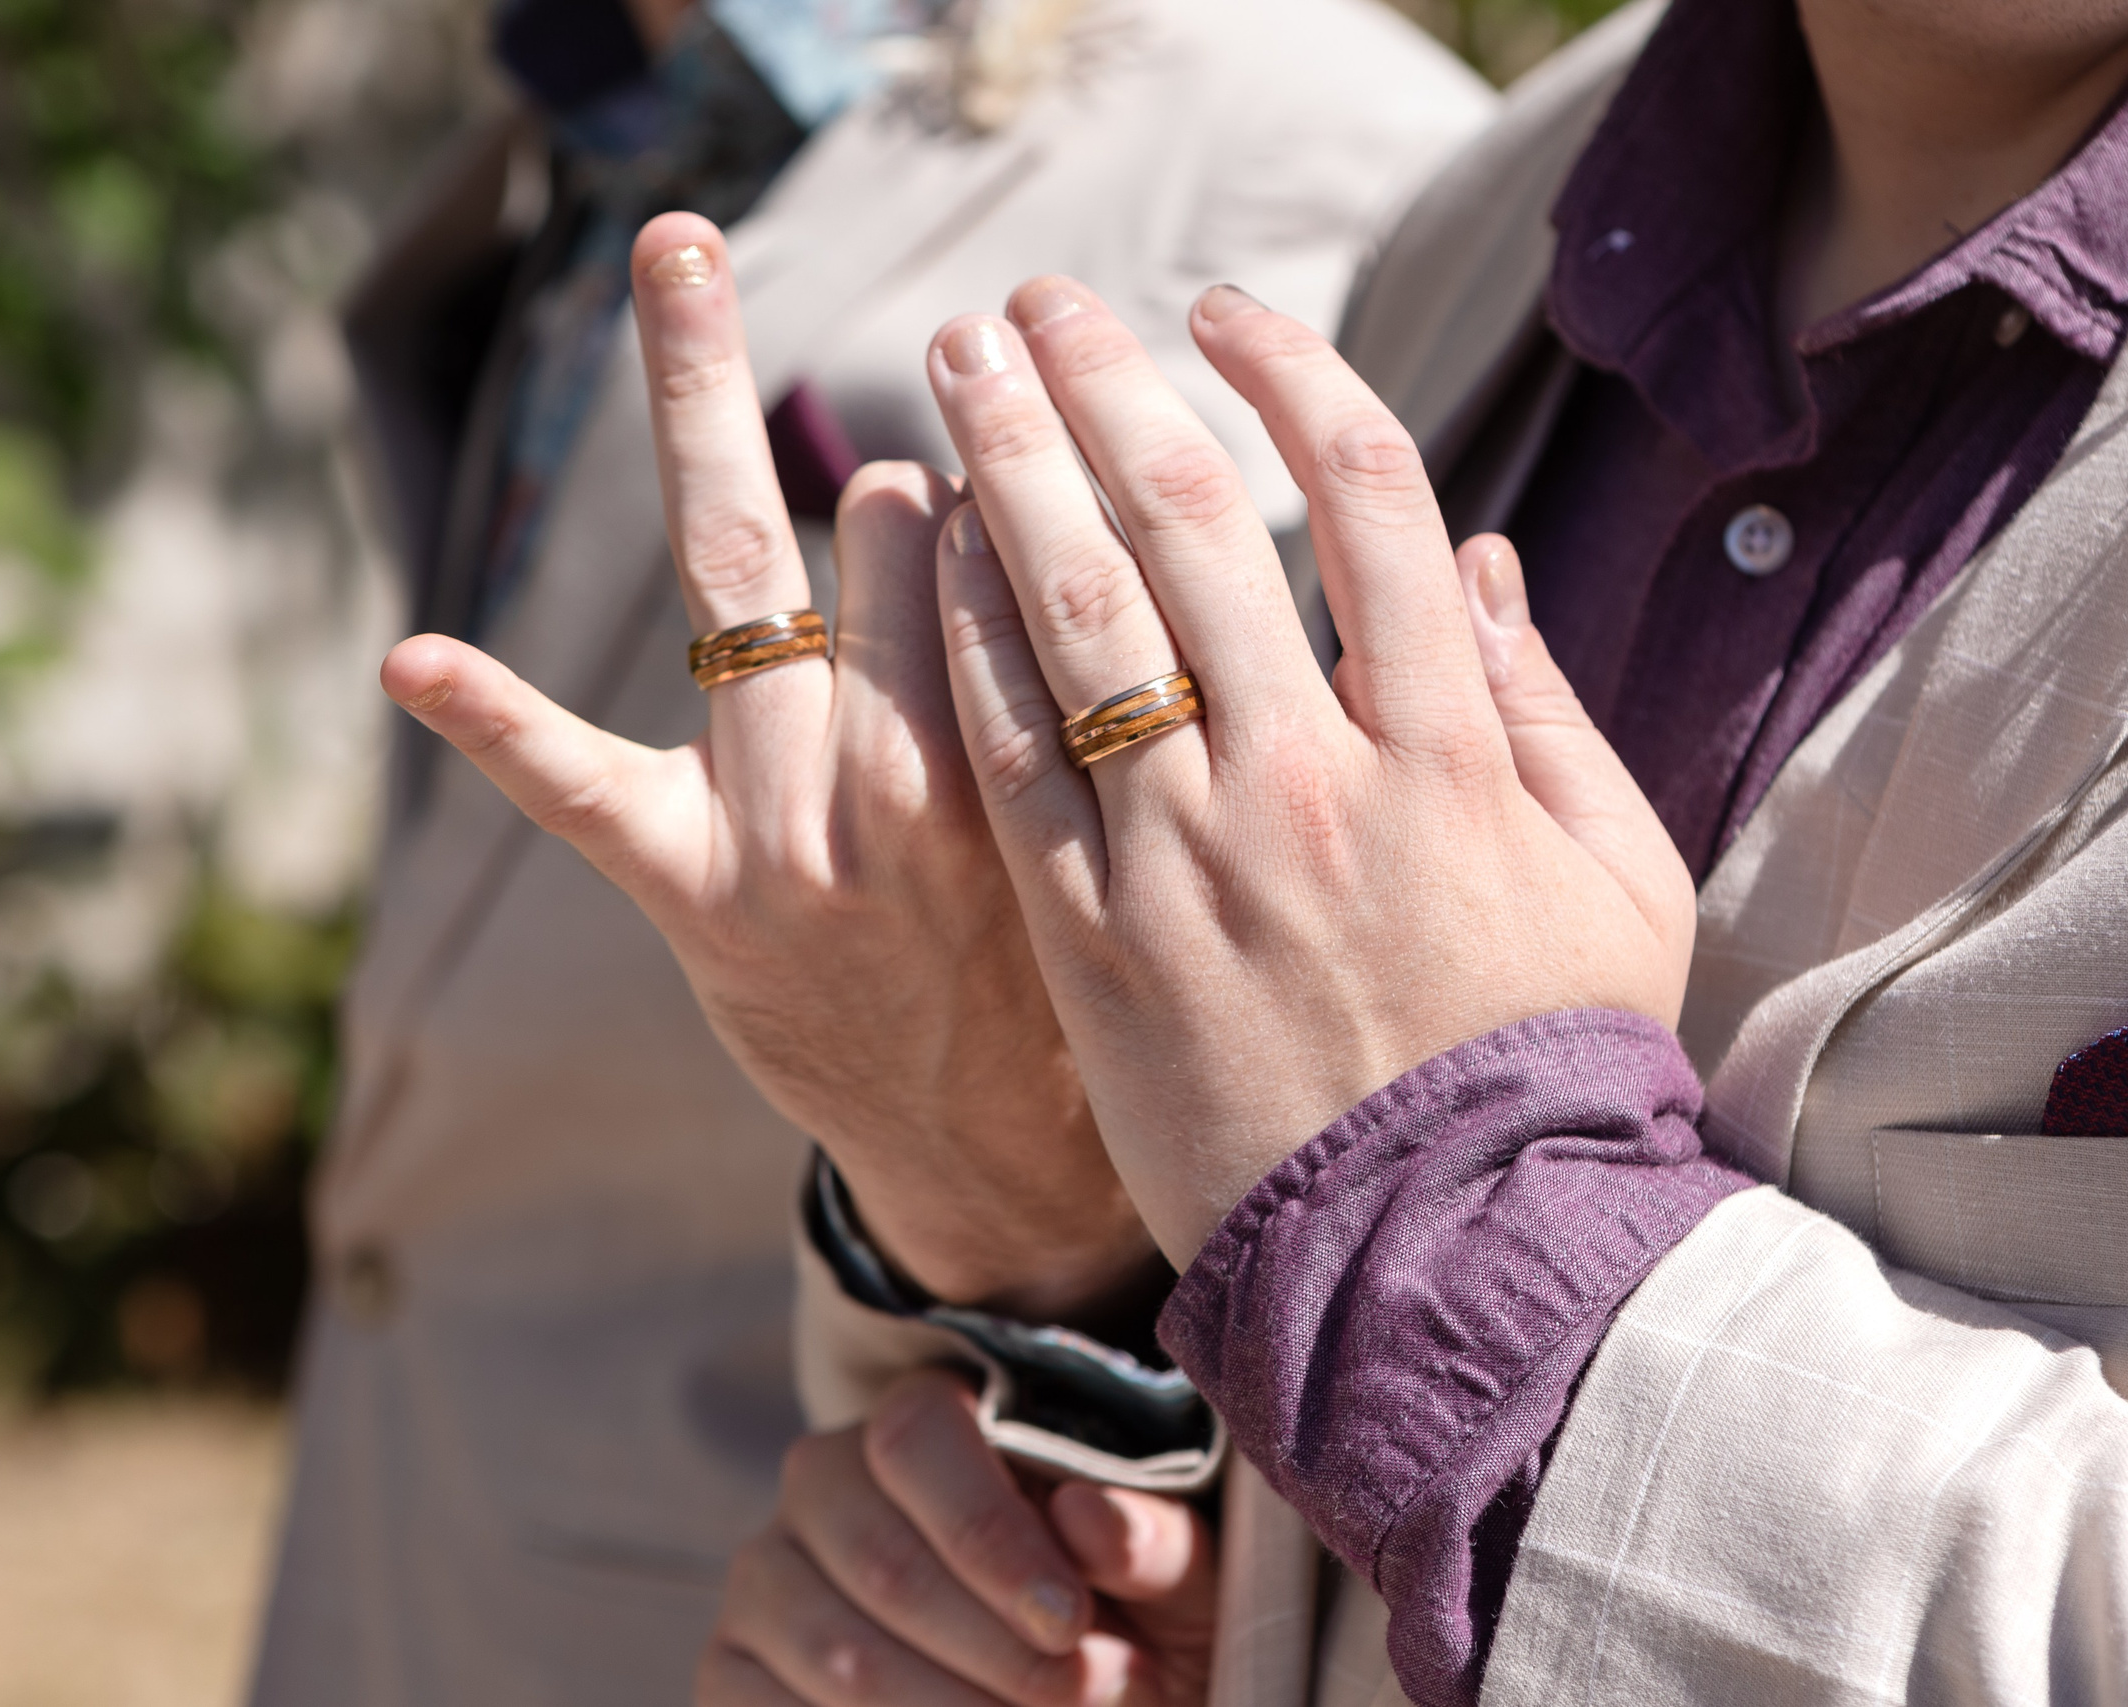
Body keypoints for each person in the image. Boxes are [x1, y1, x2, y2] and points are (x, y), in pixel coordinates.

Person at [381, 0, 2128, 1701]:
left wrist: (1472, 1248)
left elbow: (1428, 1235)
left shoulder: (1332, 145)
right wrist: (1044, 1312)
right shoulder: (1483, 226)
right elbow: (1322, 1367)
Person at [247, 0, 1492, 1701]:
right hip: (398, 1542)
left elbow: (1374, 1056)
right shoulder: (575, 122)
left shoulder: (1338, 151)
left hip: (840, 1609)